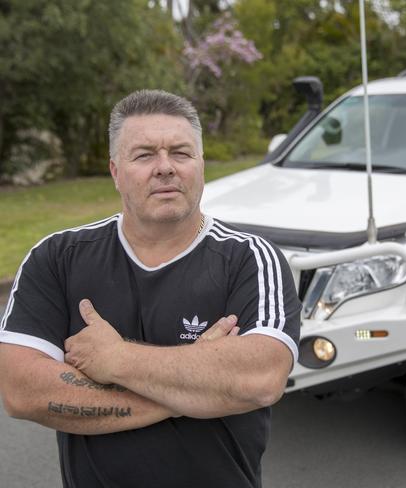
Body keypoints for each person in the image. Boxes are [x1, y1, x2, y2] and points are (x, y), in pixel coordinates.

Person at [0, 89, 301, 488]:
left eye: (181, 153)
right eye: (144, 155)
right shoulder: (58, 257)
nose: (165, 168)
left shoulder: (250, 259)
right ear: (114, 171)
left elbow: (260, 377)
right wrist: (196, 387)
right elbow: (22, 391)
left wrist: (116, 359)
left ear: (201, 165)